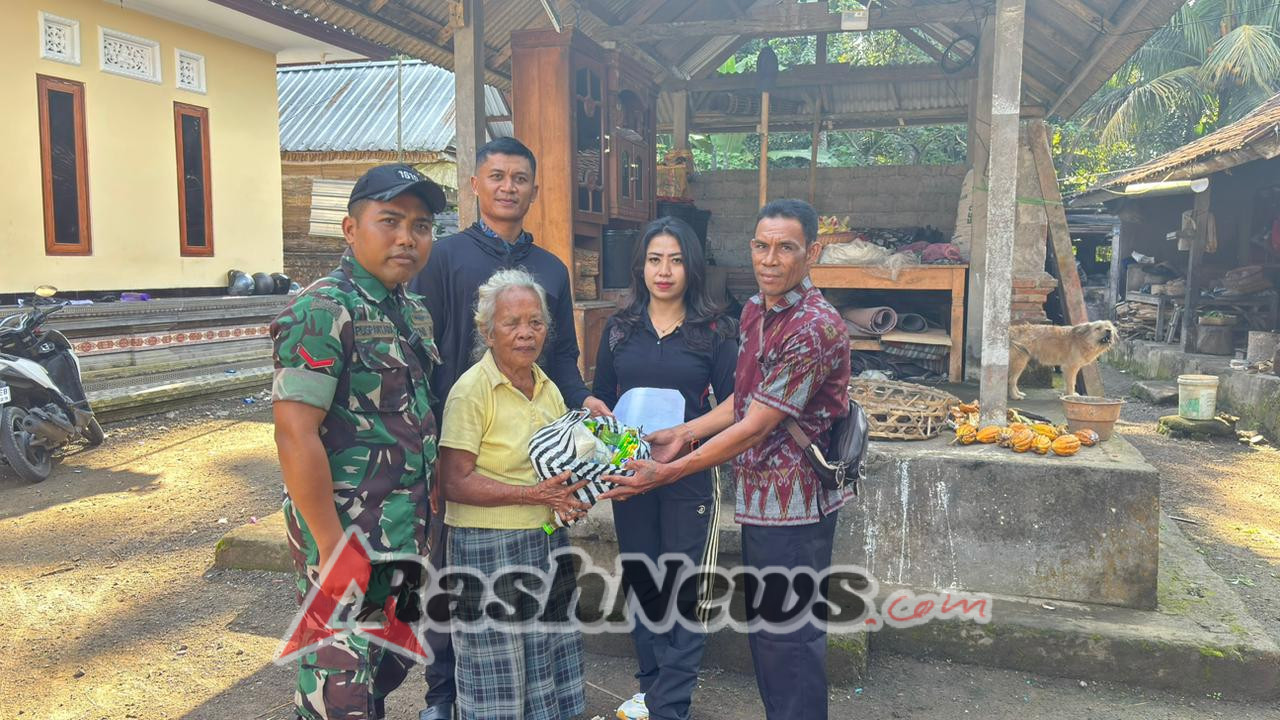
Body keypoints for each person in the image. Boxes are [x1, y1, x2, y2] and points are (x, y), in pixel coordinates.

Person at [601, 199, 852, 720]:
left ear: (813, 251)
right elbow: (742, 401)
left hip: (799, 504)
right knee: (769, 636)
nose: (771, 258)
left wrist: (671, 467)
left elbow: (755, 424)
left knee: (791, 638)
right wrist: (683, 431)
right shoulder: (759, 312)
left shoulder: (812, 325)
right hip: (760, 499)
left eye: (786, 247)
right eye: (761, 246)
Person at [410, 136, 609, 720]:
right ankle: (444, 697)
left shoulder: (549, 268)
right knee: (456, 581)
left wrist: (584, 401)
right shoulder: (445, 257)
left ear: (533, 189)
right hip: (465, 436)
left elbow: (564, 355)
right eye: (496, 176)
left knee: (537, 598)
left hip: (535, 440)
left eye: (519, 178)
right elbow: (424, 345)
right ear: (475, 185)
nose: (507, 187)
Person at [271, 163, 447, 719]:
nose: (406, 237)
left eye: (420, 226)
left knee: (384, 664)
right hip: (348, 530)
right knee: (338, 684)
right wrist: (329, 546)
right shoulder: (322, 310)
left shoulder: (410, 310)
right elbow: (294, 433)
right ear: (350, 229)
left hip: (404, 528)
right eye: (390, 221)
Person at [590, 217, 737, 720]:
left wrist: (688, 433)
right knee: (643, 579)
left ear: (691, 267)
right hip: (631, 477)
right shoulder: (619, 328)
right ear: (641, 266)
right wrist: (596, 412)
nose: (665, 270)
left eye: (675, 259)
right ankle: (650, 689)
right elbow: (603, 396)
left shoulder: (714, 330)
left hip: (688, 477)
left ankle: (670, 703)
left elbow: (740, 404)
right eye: (655, 259)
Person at [437, 268, 590, 720]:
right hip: (487, 546)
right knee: (495, 667)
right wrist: (532, 495)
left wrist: (574, 495)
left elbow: (561, 463)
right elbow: (453, 481)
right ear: (487, 331)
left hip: (544, 539)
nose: (526, 333)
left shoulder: (548, 388)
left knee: (544, 656)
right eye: (512, 323)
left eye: (536, 322)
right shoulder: (472, 391)